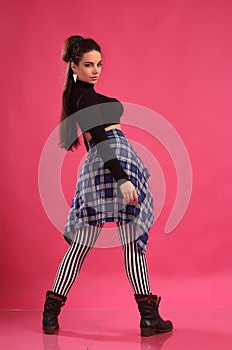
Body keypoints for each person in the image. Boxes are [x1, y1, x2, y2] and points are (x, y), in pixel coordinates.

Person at [42, 35, 173, 337]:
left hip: (99, 168)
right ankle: (148, 317)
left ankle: (50, 313)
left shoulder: (80, 95)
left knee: (82, 245)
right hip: (112, 165)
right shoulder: (84, 97)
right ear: (73, 66)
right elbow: (100, 138)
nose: (96, 69)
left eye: (99, 64)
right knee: (131, 241)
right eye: (88, 64)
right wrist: (122, 178)